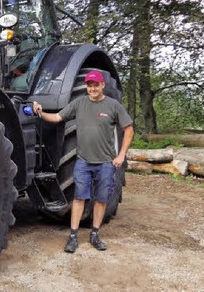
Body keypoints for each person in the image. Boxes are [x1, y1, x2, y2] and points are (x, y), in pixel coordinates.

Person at [32, 70, 134, 253]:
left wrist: (121, 155)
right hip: (83, 162)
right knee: (79, 198)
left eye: (96, 85)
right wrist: (40, 111)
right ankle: (73, 236)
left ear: (102, 85)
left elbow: (128, 129)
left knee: (101, 199)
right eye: (90, 85)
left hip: (105, 163)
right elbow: (57, 118)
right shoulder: (79, 103)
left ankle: (95, 234)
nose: (93, 88)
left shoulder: (113, 106)